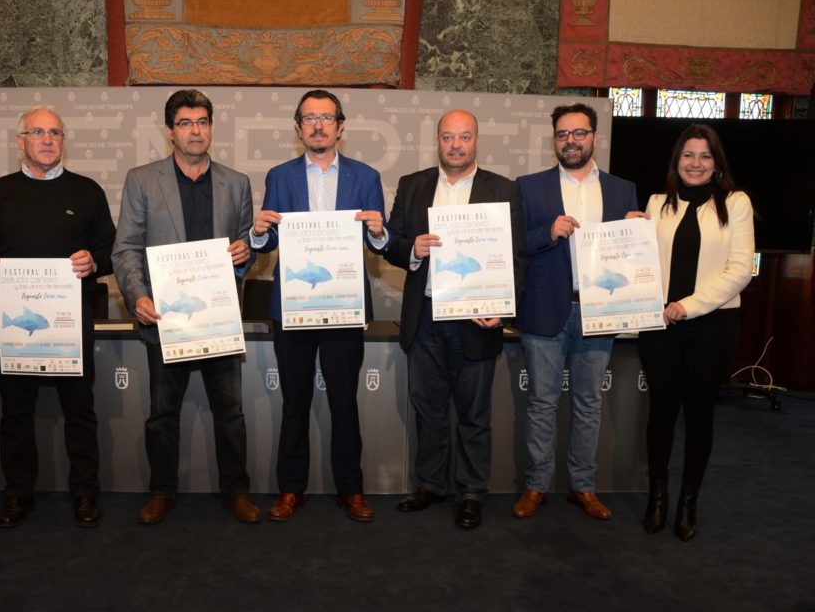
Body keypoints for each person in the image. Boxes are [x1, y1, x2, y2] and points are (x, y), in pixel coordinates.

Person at [112, 89, 261, 525]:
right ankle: (162, 492)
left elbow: (247, 245)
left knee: (230, 414)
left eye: (202, 122)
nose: (195, 131)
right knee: (162, 415)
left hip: (217, 319)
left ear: (211, 128)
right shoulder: (142, 180)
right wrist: (137, 295)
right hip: (165, 319)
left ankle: (236, 492)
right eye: (185, 123)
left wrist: (245, 254)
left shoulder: (236, 183)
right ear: (169, 131)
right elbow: (126, 248)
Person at [250, 89, 388, 522]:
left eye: (326, 118)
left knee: (344, 402)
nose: (318, 126)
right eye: (309, 118)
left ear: (340, 127)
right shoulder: (280, 176)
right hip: (294, 308)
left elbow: (378, 243)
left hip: (344, 307)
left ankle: (352, 489)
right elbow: (267, 243)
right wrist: (257, 232)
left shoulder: (366, 177)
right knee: (294, 402)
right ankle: (291, 489)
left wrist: (379, 231)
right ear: (298, 128)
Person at [0, 106, 115, 528]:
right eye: (37, 132)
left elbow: (110, 249)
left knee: (80, 413)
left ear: (63, 141)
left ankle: (85, 494)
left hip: (71, 325)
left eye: (55, 132)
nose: (48, 140)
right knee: (15, 414)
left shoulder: (87, 191)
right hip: (17, 327)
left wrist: (94, 260)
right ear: (21, 140)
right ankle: (18, 494)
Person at [385, 109, 526, 529]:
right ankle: (430, 484)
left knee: (473, 413)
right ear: (438, 141)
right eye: (448, 137)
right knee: (428, 409)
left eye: (464, 137)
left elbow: (517, 257)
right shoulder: (412, 185)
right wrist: (412, 250)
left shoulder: (503, 190)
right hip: (425, 317)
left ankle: (470, 491)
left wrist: (502, 307)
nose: (456, 145)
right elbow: (391, 243)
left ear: (476, 141)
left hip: (475, 318)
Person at [512, 103, 639, 521]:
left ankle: (583, 486)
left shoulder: (622, 190)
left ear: (594, 137)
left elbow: (630, 256)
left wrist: (638, 232)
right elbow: (513, 245)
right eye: (563, 134)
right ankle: (536, 485)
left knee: (588, 403)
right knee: (541, 403)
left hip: (598, 312)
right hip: (545, 309)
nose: (571, 141)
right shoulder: (529, 187)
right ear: (554, 140)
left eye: (579, 133)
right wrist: (547, 232)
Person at [637, 124, 754, 541]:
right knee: (661, 413)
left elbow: (741, 270)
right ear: (677, 160)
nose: (696, 163)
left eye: (705, 156)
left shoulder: (736, 203)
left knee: (700, 415)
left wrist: (689, 305)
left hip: (713, 326)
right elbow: (641, 262)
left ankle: (688, 502)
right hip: (661, 326)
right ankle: (657, 498)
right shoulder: (656, 203)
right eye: (688, 155)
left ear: (716, 163)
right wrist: (630, 232)